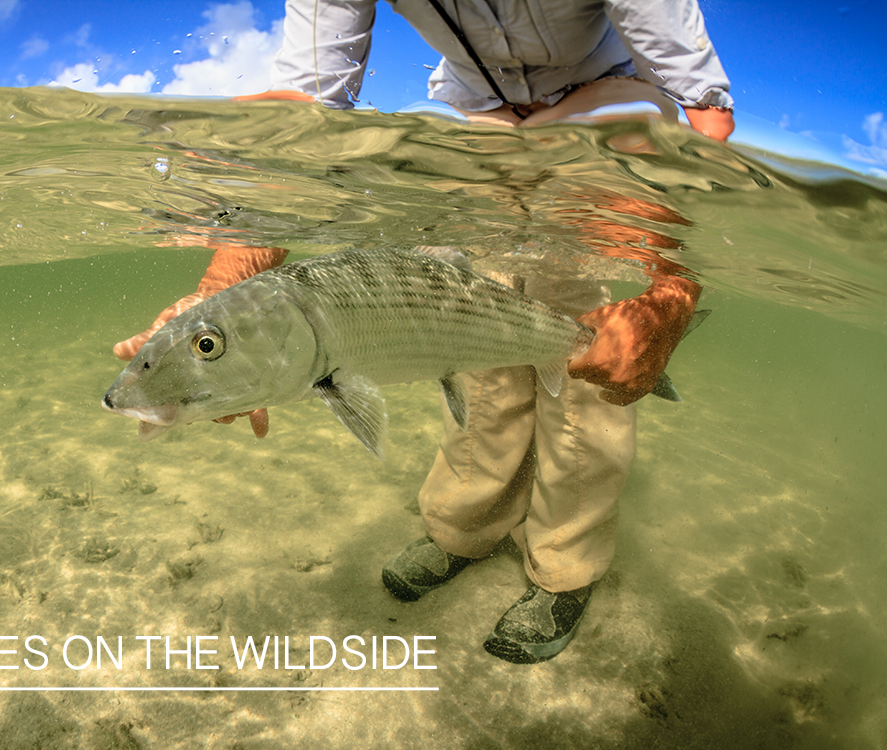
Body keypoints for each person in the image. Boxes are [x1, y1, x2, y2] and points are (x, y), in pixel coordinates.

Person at [115, 0, 733, 664]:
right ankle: (463, 529)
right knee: (474, 347)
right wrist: (217, 301)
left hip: (608, 105)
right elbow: (306, 109)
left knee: (584, 379)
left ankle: (564, 569)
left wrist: (667, 298)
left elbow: (698, 112)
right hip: (480, 118)